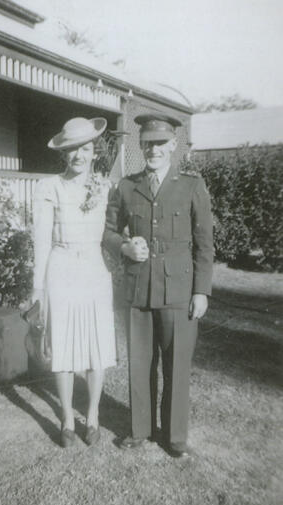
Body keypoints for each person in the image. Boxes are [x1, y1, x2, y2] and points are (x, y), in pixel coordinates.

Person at [103, 113, 213, 457]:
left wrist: (201, 291)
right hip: (138, 287)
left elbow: (204, 243)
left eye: (160, 144)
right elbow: (105, 232)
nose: (153, 150)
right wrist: (123, 246)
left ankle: (175, 435)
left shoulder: (192, 185)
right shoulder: (126, 185)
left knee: (176, 363)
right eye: (148, 143)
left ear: (174, 145)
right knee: (140, 361)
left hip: (179, 290)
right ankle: (139, 429)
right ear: (141, 145)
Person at [32, 117, 117, 448]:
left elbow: (112, 234)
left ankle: (92, 416)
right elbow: (41, 241)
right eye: (71, 150)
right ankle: (67, 419)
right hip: (62, 267)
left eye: (84, 148)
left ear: (94, 150)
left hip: (94, 270)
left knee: (97, 345)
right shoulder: (48, 187)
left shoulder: (104, 187)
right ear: (63, 154)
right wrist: (37, 287)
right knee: (64, 345)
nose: (78, 155)